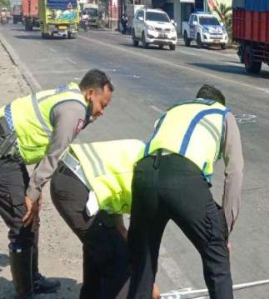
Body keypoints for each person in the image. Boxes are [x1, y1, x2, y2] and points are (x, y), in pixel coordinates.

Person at [0, 69, 114, 298]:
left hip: (10, 149)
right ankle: (25, 293)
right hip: (3, 152)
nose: (102, 112)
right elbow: (54, 154)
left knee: (31, 219)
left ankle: (32, 280)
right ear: (90, 93)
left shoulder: (70, 95)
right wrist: (32, 192)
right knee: (21, 220)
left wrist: (34, 189)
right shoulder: (75, 110)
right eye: (103, 104)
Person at [127, 84, 244, 299]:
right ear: (218, 102)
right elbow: (234, 171)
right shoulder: (223, 114)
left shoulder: (172, 111)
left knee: (143, 263)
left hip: (143, 174)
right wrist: (223, 231)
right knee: (217, 261)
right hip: (183, 178)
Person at [50, 139, 160, 299]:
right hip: (75, 184)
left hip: (72, 179)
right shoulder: (149, 181)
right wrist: (147, 284)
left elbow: (120, 227)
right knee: (116, 259)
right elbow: (139, 244)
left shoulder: (148, 159)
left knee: (101, 249)